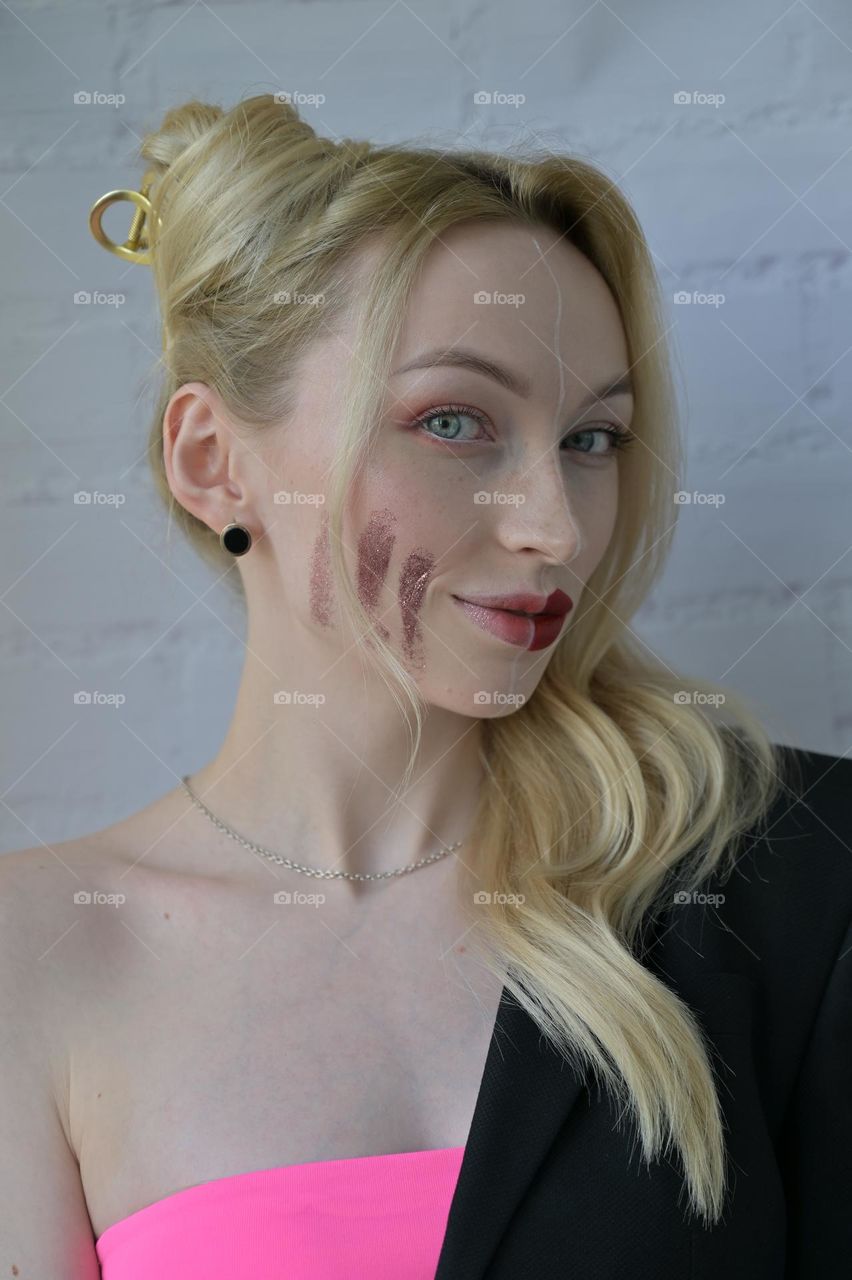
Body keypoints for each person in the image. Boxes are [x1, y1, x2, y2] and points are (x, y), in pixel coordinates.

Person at [1, 93, 849, 1279]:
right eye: (454, 420)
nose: (555, 526)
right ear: (215, 464)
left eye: (593, 439)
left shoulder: (784, 879)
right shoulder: (34, 952)